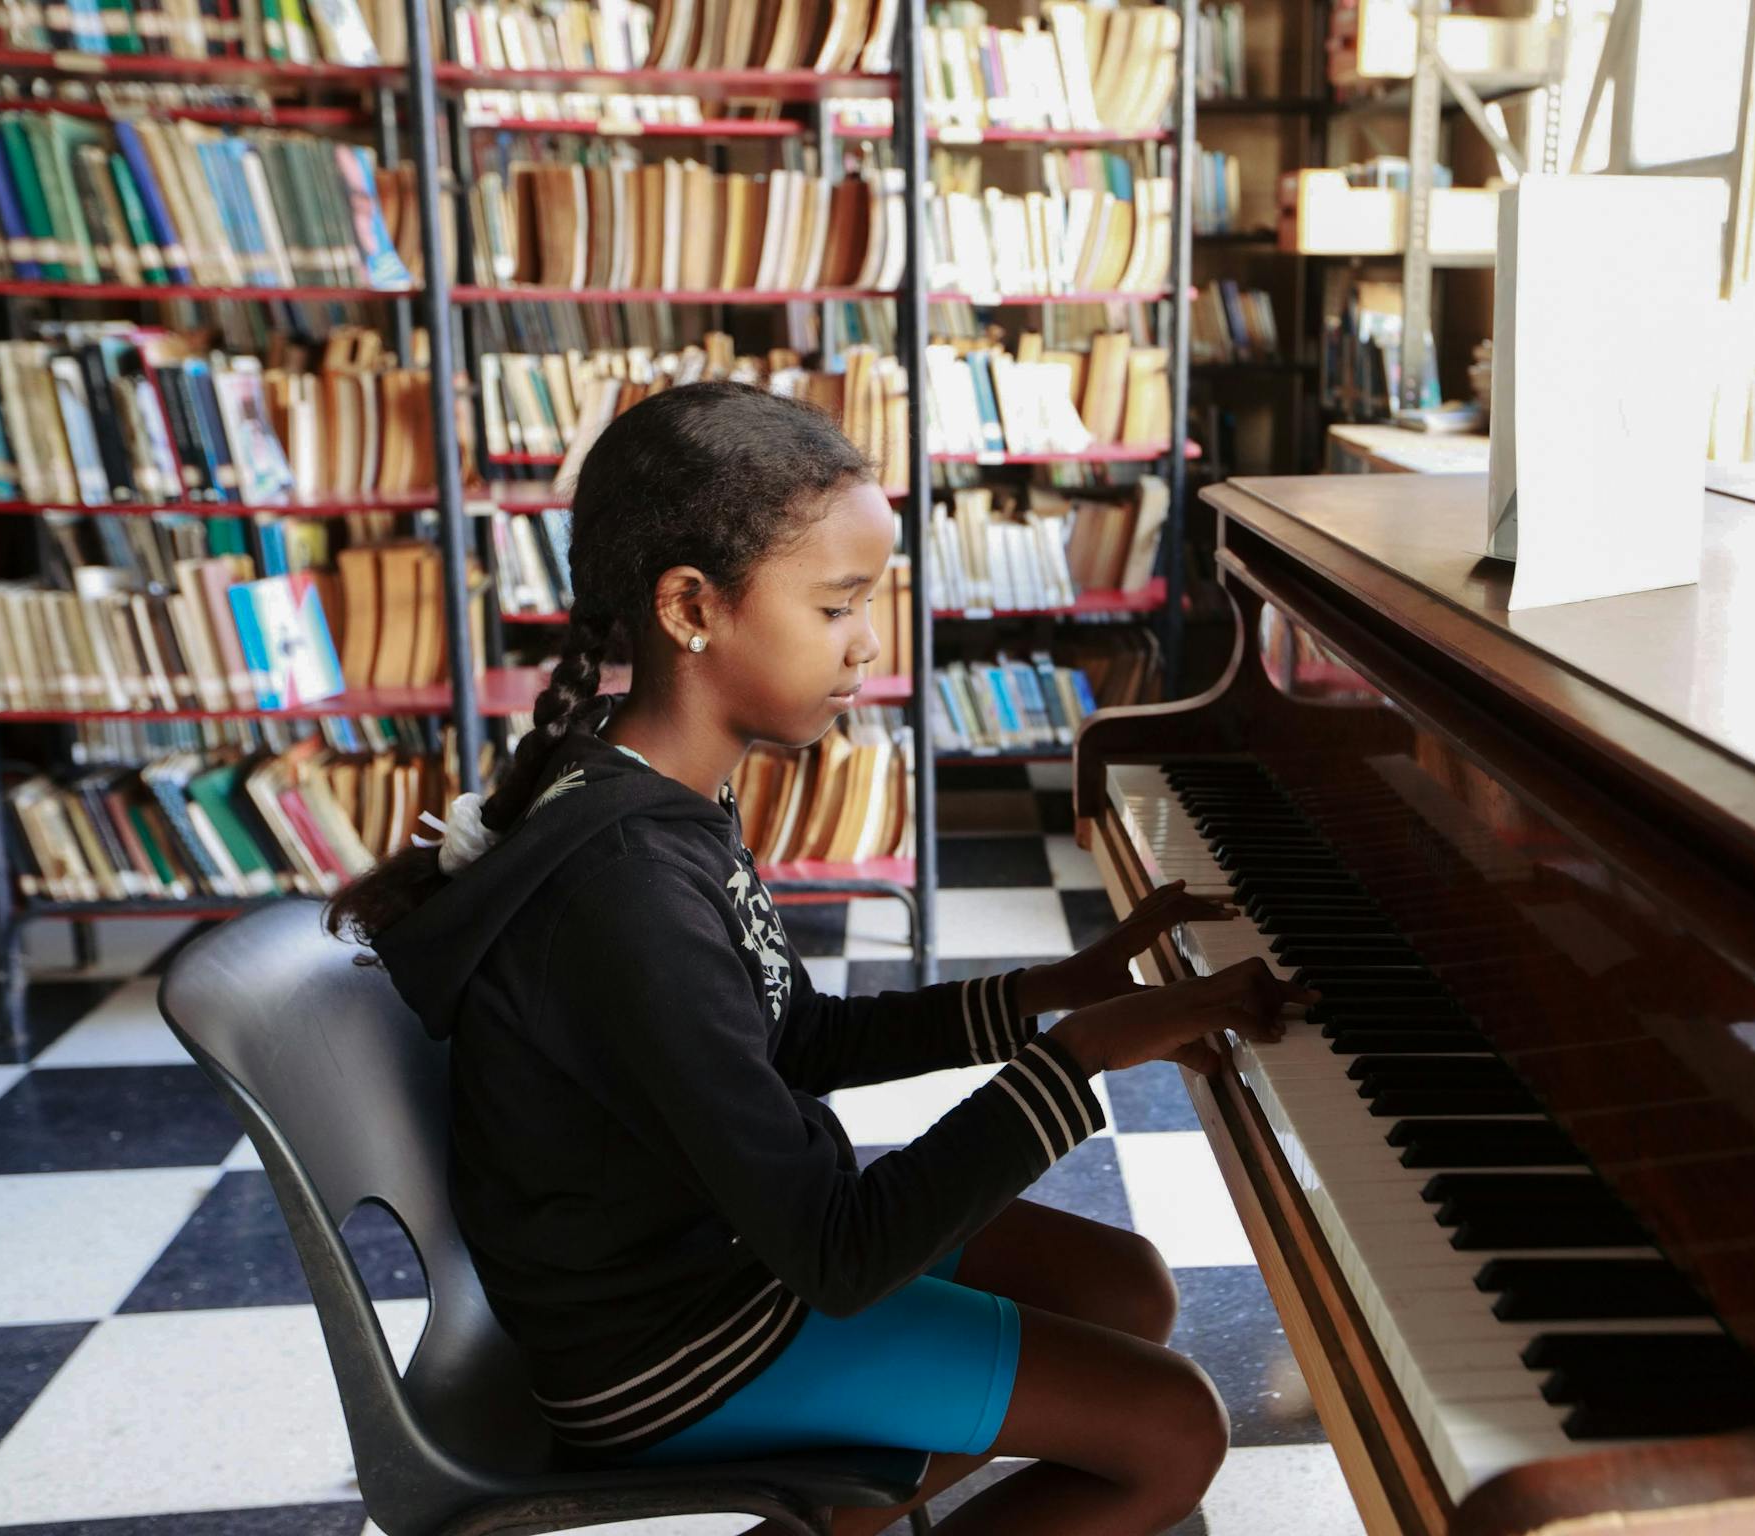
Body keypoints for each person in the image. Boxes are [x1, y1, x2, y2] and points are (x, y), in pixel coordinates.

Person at [325, 380, 1317, 1535]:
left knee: (1123, 1288)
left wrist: (1049, 992)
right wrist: (1082, 1055)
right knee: (1174, 1432)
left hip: (721, 1254)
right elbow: (840, 1257)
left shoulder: (648, 787)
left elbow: (793, 1036)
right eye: (839, 603)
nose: (870, 640)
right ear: (692, 607)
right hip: (670, 1342)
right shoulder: (626, 891)